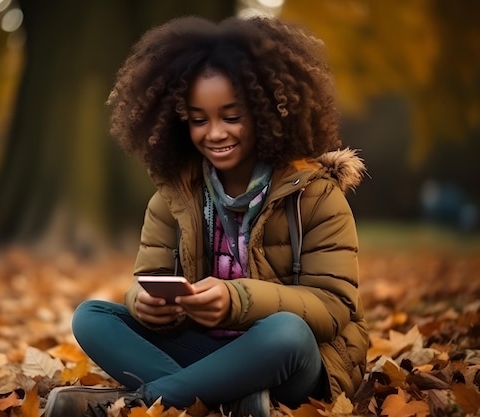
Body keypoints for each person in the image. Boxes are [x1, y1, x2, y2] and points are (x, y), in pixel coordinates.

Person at [44, 14, 369, 417]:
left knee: (288, 332)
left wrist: (238, 301)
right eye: (199, 120)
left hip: (292, 359)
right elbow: (146, 279)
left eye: (231, 117)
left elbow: (335, 306)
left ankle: (141, 404)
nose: (214, 133)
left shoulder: (316, 193)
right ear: (180, 121)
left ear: (268, 112)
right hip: (203, 351)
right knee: (91, 317)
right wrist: (146, 304)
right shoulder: (172, 197)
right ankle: (231, 402)